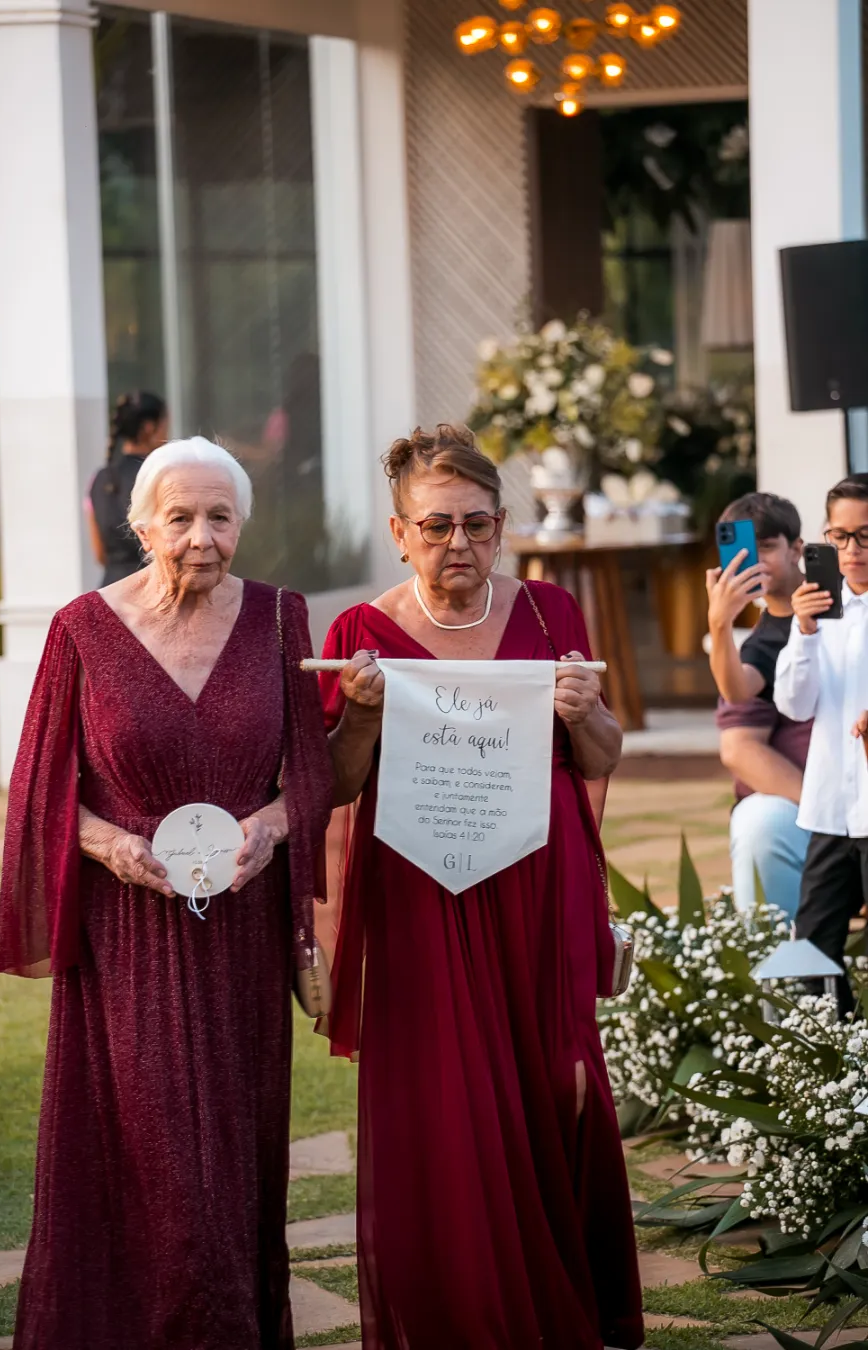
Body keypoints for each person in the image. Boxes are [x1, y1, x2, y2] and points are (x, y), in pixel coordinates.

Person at [0, 437, 333, 1350]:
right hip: (127, 935)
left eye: (220, 517)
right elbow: (38, 789)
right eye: (179, 518)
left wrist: (270, 831)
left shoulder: (280, 620)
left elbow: (310, 774)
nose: (200, 537)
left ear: (241, 525)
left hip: (240, 929)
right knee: (153, 1150)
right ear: (141, 527)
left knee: (232, 1148)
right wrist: (108, 844)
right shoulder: (80, 628)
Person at [319, 425, 643, 1350]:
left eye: (477, 524)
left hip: (539, 887)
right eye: (436, 526)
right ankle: (464, 1312)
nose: (458, 542)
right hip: (420, 896)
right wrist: (360, 719)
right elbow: (334, 784)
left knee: (560, 1085)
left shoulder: (549, 612)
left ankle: (573, 1299)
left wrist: (584, 715)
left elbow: (601, 755)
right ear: (400, 533)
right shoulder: (358, 636)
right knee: (444, 1104)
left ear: (502, 526)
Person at [775, 472, 868, 1010]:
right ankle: (834, 1049)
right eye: (839, 536)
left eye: (865, 536)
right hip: (832, 809)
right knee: (811, 952)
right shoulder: (816, 610)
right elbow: (794, 704)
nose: (851, 550)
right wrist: (805, 631)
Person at [705, 493, 811, 918]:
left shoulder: (843, 606)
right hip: (805, 811)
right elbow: (737, 691)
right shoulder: (765, 640)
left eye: (766, 547)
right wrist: (719, 622)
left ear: (796, 549)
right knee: (760, 821)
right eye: (744, 550)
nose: (755, 562)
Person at [86, 390, 168, 585]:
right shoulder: (161, 476)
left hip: (110, 589)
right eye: (165, 426)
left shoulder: (99, 478)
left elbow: (99, 554)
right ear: (150, 427)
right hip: (152, 588)